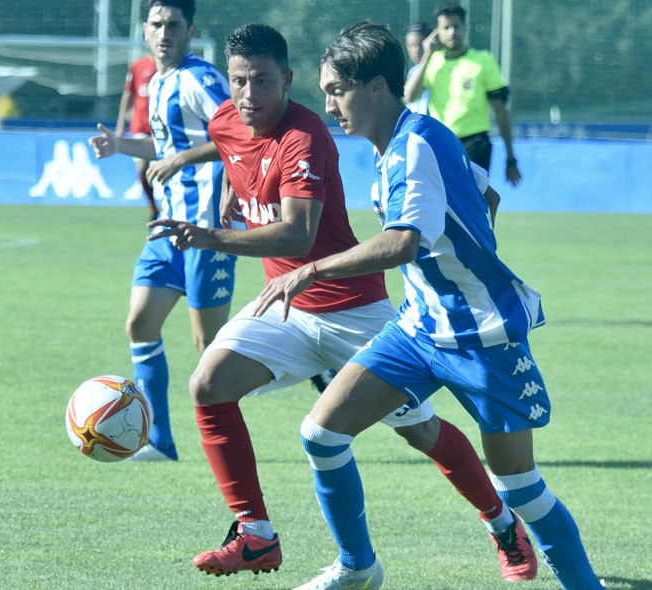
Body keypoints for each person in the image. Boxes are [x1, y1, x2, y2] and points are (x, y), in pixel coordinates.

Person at [147, 22, 536, 582]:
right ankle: (255, 532)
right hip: (286, 305)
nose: (249, 95)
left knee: (421, 431)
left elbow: (297, 235)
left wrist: (211, 235)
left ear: (287, 79)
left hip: (355, 310)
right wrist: (231, 186)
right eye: (238, 81)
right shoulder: (228, 120)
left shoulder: (307, 137)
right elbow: (233, 143)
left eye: (262, 81)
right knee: (207, 383)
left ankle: (502, 525)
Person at [255, 22, 603, 590]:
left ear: (376, 88)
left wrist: (312, 269)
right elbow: (484, 192)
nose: (328, 104)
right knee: (322, 433)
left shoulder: (414, 144)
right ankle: (357, 567)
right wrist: (467, 250)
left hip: (482, 336)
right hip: (417, 330)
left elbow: (402, 244)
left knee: (521, 488)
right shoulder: (403, 140)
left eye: (337, 89)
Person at [88, 0, 235, 462]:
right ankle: (158, 441)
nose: (164, 32)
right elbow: (166, 145)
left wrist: (204, 174)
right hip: (166, 229)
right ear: (145, 31)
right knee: (140, 321)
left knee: (209, 348)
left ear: (191, 30)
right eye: (157, 24)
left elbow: (240, 133)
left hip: (203, 229)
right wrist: (120, 145)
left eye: (174, 24)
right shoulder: (157, 80)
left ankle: (247, 413)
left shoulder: (200, 78)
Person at [404, 2, 522, 186]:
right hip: (441, 143)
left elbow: (500, 111)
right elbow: (409, 97)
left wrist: (511, 158)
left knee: (471, 202)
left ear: (465, 28)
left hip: (476, 144)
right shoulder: (432, 62)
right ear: (437, 32)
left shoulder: (483, 61)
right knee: (443, 203)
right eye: (446, 27)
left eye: (456, 26)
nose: (452, 32)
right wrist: (426, 56)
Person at [116, 54, 160, 219]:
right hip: (141, 127)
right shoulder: (137, 66)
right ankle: (153, 208)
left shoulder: (172, 66)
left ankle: (171, 207)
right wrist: (121, 124)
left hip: (162, 128)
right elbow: (128, 95)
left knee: (169, 168)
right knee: (142, 170)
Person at [403, 22, 431, 115]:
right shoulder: (412, 72)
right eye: (411, 45)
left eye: (420, 44)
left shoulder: (438, 66)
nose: (416, 50)